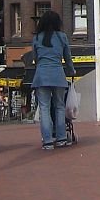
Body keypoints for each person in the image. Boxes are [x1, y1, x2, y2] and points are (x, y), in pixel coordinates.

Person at [31, 10, 76, 150]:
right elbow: (67, 57)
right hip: (58, 74)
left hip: (41, 76)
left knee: (44, 108)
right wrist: (71, 70)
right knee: (59, 106)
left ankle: (48, 140)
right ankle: (62, 138)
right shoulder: (62, 37)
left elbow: (35, 58)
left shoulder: (37, 38)